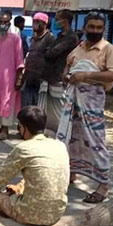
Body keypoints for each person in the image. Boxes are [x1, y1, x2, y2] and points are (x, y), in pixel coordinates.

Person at [58, 12, 113, 203]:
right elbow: (68, 65)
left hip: (92, 105)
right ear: (85, 27)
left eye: (98, 28)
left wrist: (85, 76)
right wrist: (67, 75)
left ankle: (103, 186)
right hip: (73, 103)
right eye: (91, 27)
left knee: (96, 142)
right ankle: (71, 175)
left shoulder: (109, 50)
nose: (95, 31)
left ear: (103, 29)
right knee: (71, 139)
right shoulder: (78, 48)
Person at [0, 106, 70, 225]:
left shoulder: (24, 148)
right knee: (28, 179)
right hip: (56, 213)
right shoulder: (59, 146)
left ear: (23, 127)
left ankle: (10, 219)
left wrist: (3, 194)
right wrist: (19, 187)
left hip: (30, 214)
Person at [38, 9, 80, 137]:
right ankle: (50, 135)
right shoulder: (60, 35)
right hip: (50, 76)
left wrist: (47, 51)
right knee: (49, 109)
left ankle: (59, 137)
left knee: (58, 110)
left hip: (59, 77)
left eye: (57, 19)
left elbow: (52, 52)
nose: (55, 22)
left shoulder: (71, 38)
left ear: (64, 21)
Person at [0, 12, 25, 141]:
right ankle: (1, 126)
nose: (2, 25)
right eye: (0, 22)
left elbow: (20, 61)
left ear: (9, 23)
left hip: (10, 78)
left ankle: (5, 129)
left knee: (7, 101)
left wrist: (19, 79)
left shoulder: (15, 39)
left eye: (5, 22)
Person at [21, 12, 55, 108]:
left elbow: (50, 58)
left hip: (40, 78)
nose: (35, 24)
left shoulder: (49, 38)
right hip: (29, 76)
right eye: (34, 21)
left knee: (37, 106)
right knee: (26, 105)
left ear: (45, 24)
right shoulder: (33, 38)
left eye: (38, 22)